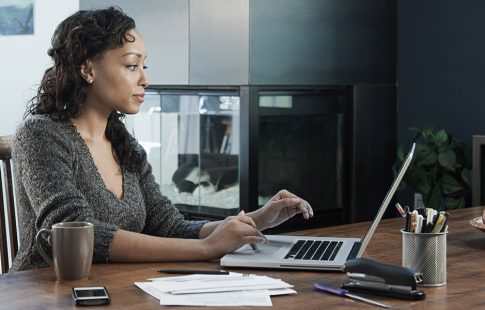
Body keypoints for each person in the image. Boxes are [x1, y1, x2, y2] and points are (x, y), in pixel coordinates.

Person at [11, 7, 313, 271]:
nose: (145, 79)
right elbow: (79, 233)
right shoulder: (40, 134)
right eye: (132, 65)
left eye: (145, 66)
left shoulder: (124, 145)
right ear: (88, 68)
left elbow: (169, 227)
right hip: (44, 294)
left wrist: (255, 221)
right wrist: (208, 249)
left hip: (120, 290)